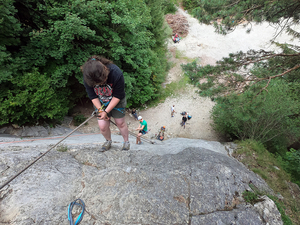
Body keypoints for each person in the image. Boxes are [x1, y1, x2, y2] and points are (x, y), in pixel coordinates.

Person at [82, 55, 130, 151]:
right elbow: (93, 96)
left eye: (103, 81)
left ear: (105, 69)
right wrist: (101, 110)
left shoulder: (116, 73)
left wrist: (106, 111)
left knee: (120, 123)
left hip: (117, 100)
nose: (102, 84)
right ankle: (108, 141)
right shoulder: (88, 77)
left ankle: (126, 142)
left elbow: (118, 96)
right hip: (100, 101)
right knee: (103, 126)